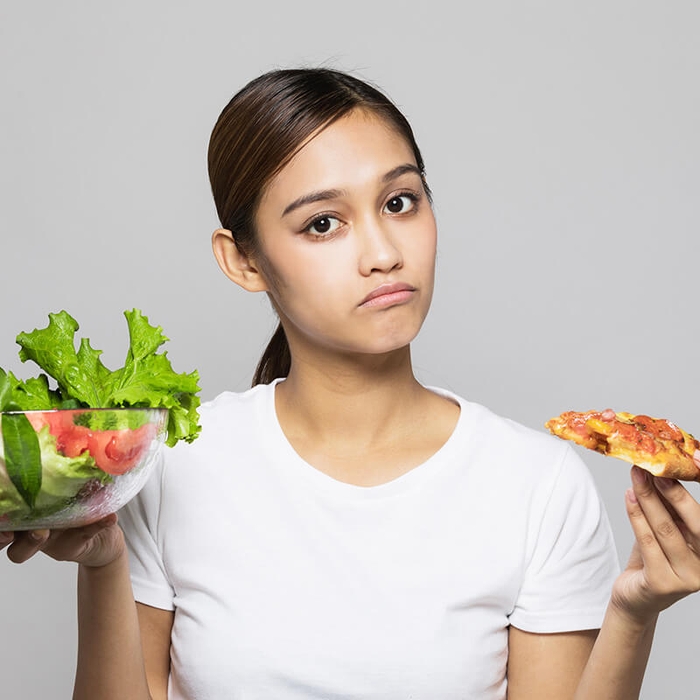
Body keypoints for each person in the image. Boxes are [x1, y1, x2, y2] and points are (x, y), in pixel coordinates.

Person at [3, 67, 700, 700]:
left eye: (400, 202)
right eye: (324, 223)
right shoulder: (171, 466)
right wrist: (104, 566)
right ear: (243, 261)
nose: (383, 253)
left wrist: (632, 613)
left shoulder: (538, 485)